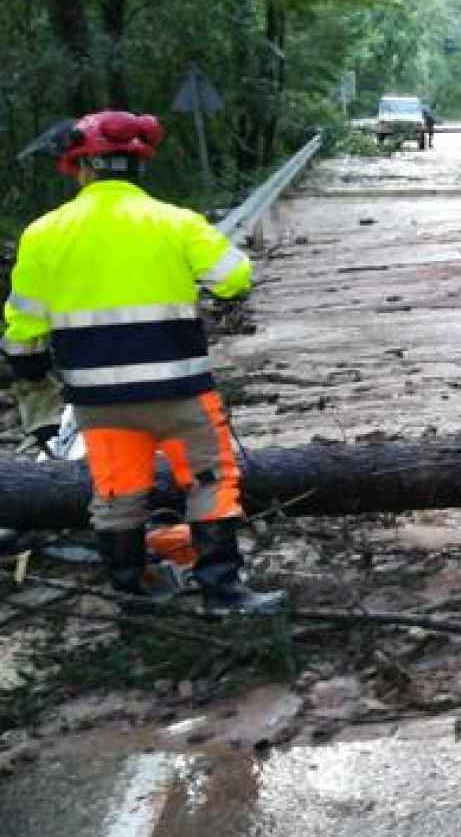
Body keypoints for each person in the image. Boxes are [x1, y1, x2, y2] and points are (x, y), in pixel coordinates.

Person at [3, 110, 286, 613]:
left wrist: (31, 378)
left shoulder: (43, 233)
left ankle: (133, 599)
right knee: (210, 484)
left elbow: (23, 331)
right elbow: (234, 278)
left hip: (98, 401)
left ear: (80, 167)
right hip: (179, 391)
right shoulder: (175, 222)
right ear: (137, 165)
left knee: (116, 494)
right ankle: (223, 593)